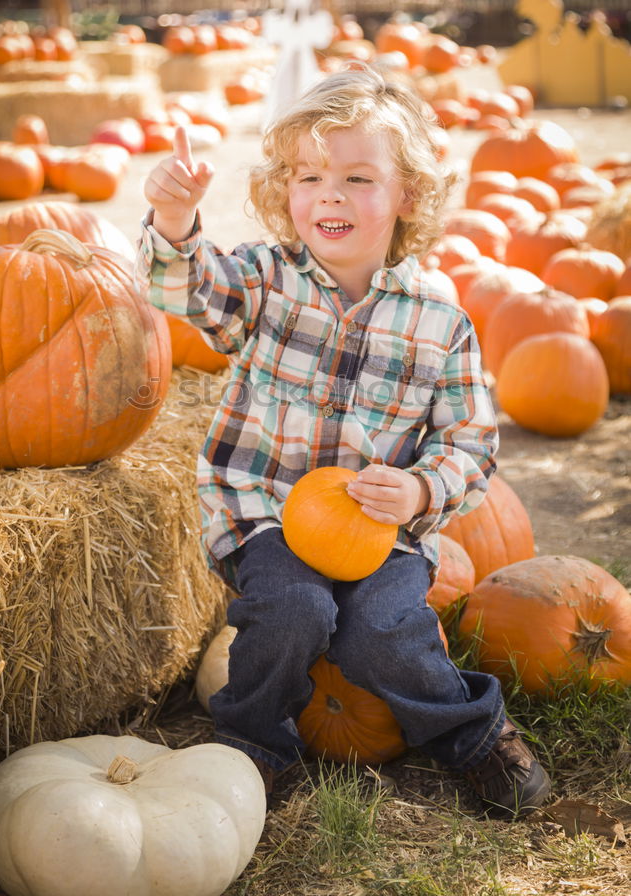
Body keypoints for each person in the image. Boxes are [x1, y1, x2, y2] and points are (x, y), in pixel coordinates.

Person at [136, 65, 551, 818]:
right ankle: (253, 743)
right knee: (293, 612)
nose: (328, 193)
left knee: (386, 632)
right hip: (264, 511)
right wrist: (175, 223)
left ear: (407, 196)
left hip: (376, 530)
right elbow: (182, 293)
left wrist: (422, 489)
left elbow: (470, 439)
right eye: (309, 175)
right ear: (284, 190)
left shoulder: (439, 319)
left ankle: (471, 734)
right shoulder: (264, 281)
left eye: (357, 177)